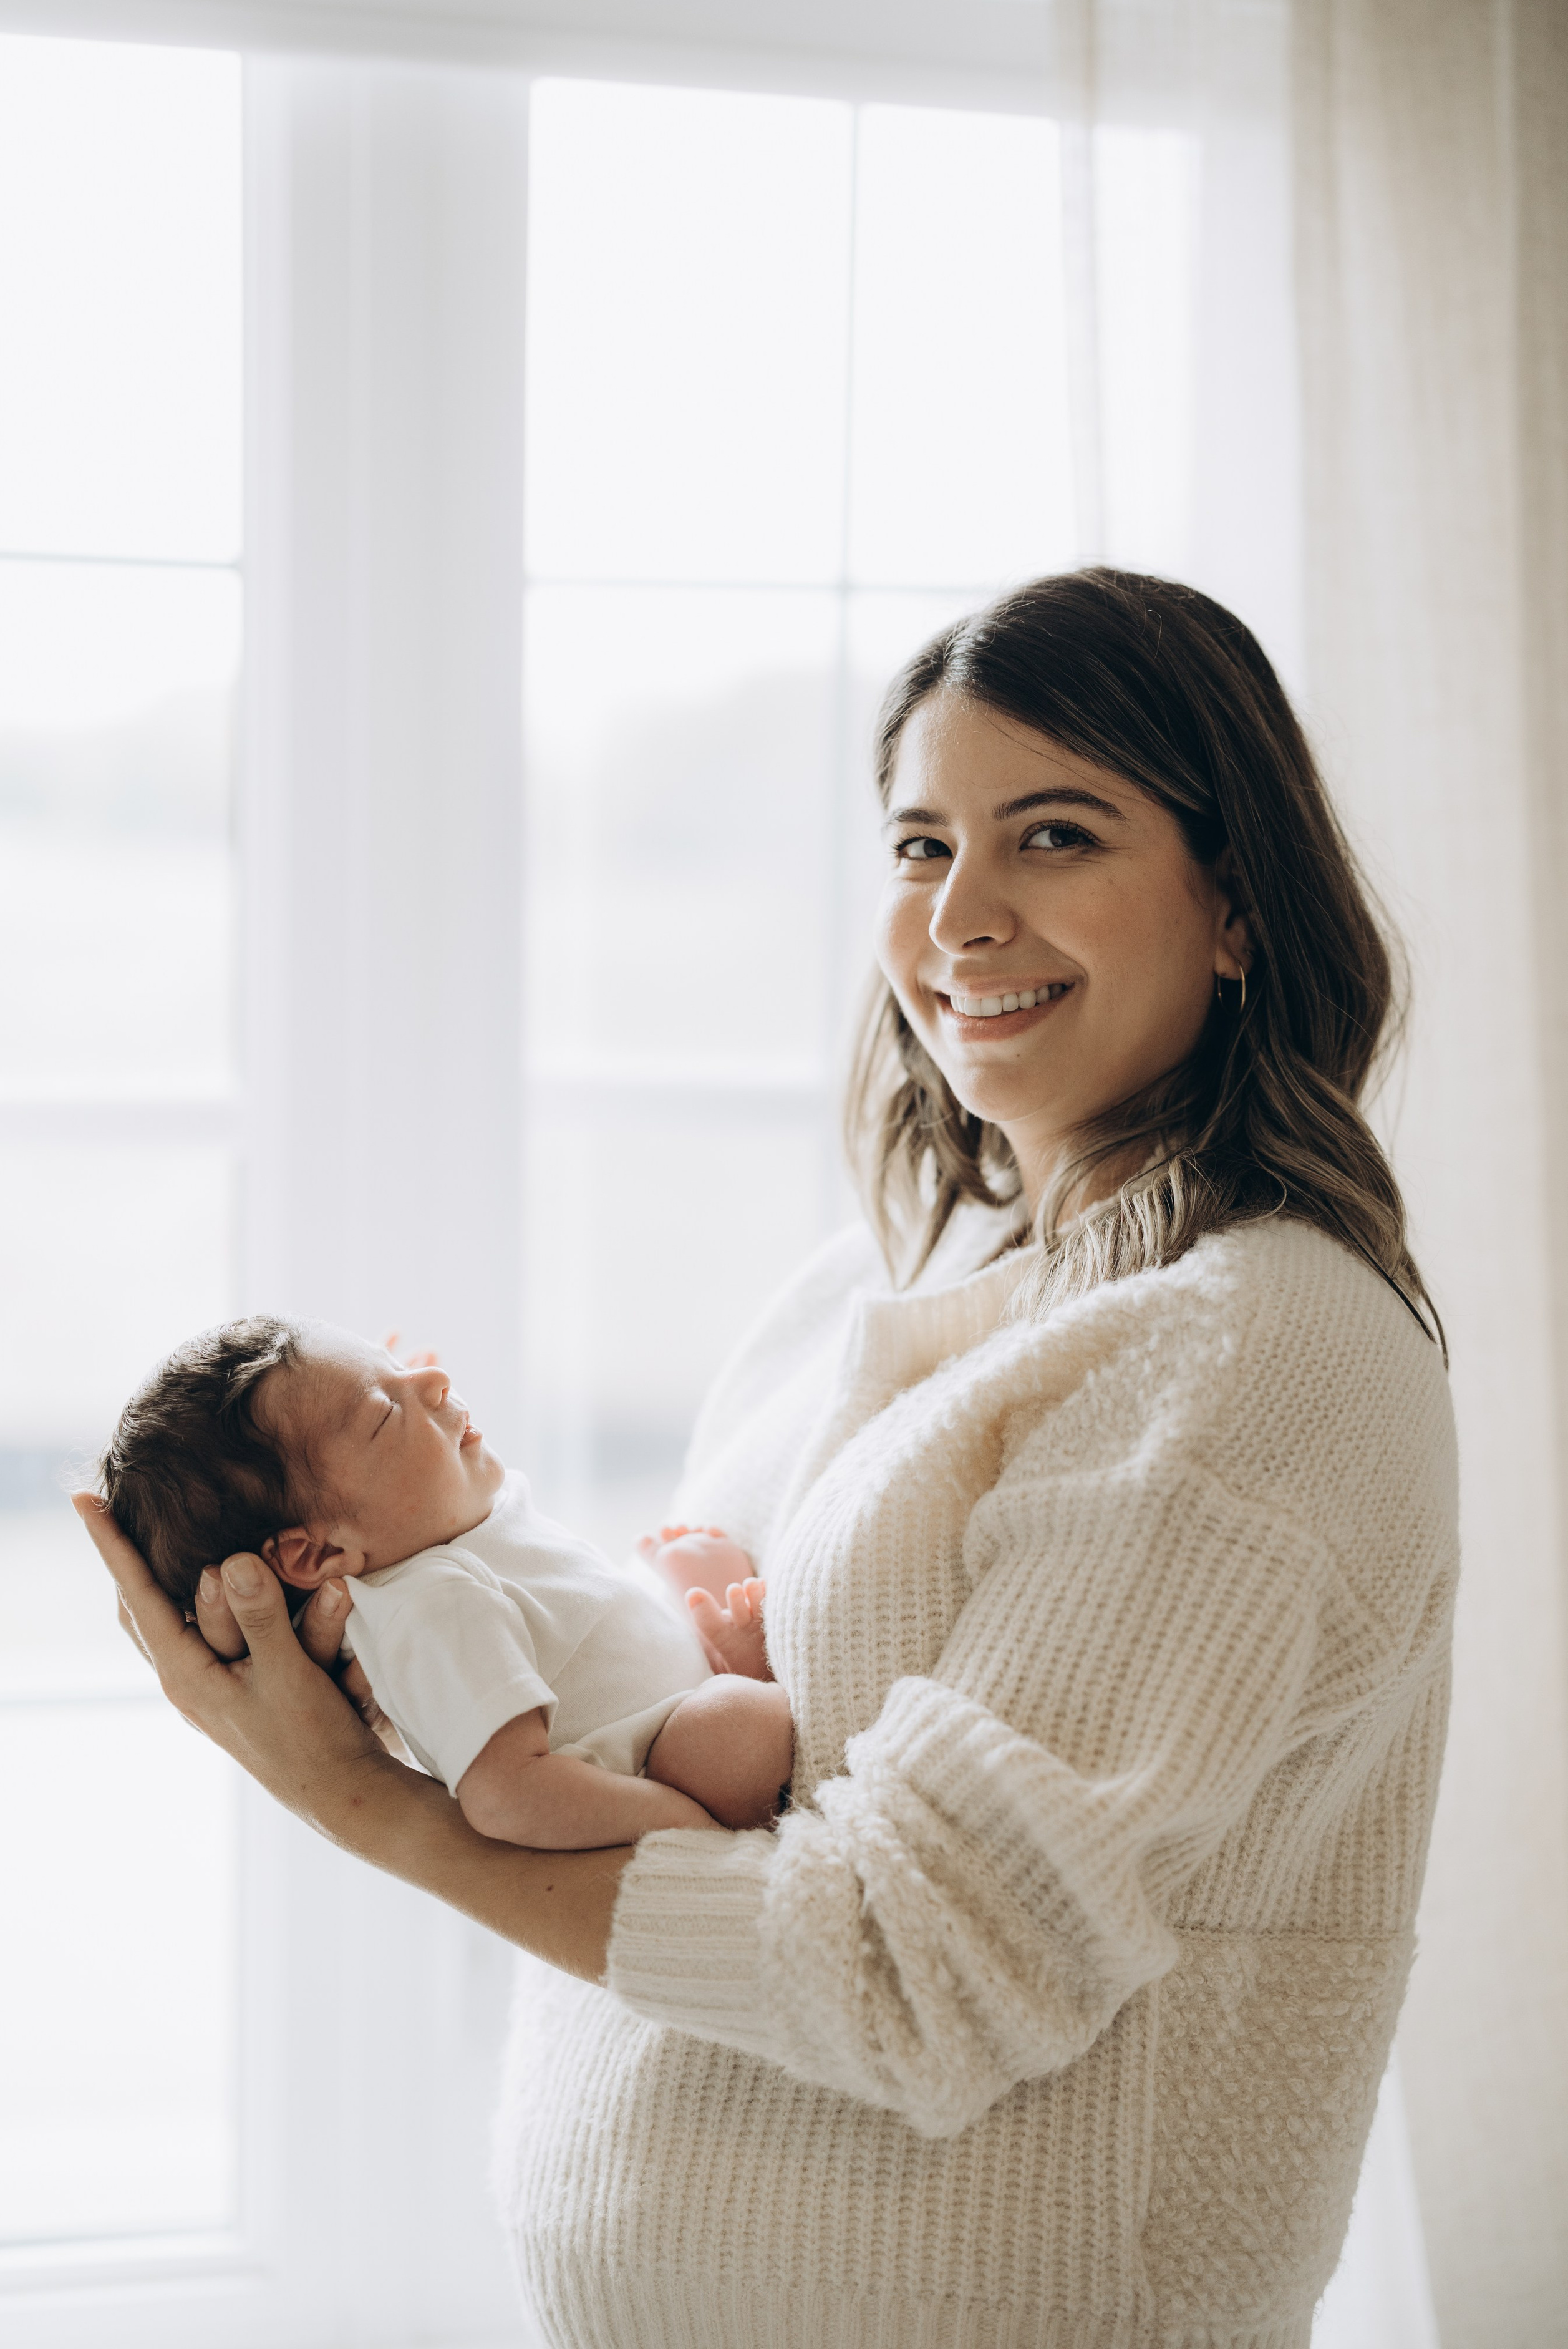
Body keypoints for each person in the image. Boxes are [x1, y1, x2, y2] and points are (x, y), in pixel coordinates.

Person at [79, 569, 1458, 2349]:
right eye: (917, 844)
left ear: (1237, 909)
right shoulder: (871, 1289)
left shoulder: (1257, 1349)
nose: (960, 916)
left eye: (1053, 835)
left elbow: (911, 1972)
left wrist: (369, 1811)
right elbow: (660, 1743)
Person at [97, 1315, 791, 1837]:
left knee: (669, 1590)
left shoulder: (436, 1539)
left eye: (401, 1364)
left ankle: (706, 1652)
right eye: (383, 1412)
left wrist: (395, 1407)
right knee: (744, 1729)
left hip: (649, 1704)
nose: (435, 1382)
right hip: (651, 1760)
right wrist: (676, 1827)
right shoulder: (432, 1603)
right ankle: (734, 1687)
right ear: (315, 1556)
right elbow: (504, 1792)